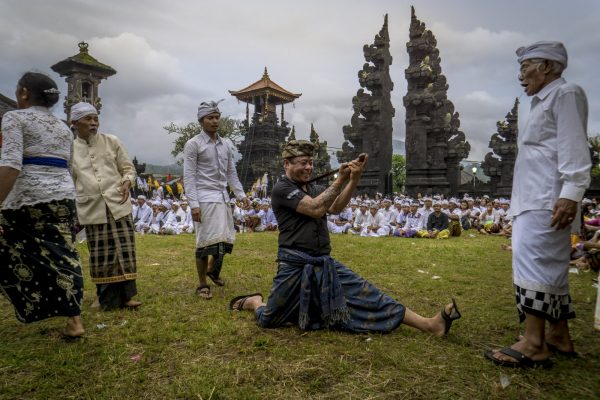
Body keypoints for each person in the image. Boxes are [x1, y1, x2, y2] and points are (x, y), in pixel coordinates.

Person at [229, 140, 461, 336]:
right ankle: (254, 302)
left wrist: (354, 180)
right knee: (270, 318)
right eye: (303, 163)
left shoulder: (312, 186)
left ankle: (429, 324)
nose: (309, 167)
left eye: (311, 162)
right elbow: (316, 209)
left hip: (323, 261)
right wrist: (339, 180)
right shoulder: (282, 188)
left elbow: (336, 207)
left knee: (368, 293)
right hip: (294, 265)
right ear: (286, 164)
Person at [485, 41, 591, 368]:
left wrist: (571, 193)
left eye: (524, 67)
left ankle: (534, 343)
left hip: (547, 199)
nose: (521, 75)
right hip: (534, 198)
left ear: (546, 66)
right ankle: (558, 334)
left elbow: (574, 147)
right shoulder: (542, 102)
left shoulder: (565, 94)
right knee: (550, 267)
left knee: (533, 265)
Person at [0, 72, 84, 337]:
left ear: (24, 93)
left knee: (11, 251)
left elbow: (11, 164)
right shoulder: (63, 126)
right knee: (64, 254)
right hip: (62, 196)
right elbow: (69, 167)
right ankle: (74, 321)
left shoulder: (14, 117)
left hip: (26, 198)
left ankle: (33, 301)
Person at [70, 102, 142, 310]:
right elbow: (69, 180)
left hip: (117, 202)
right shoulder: (70, 149)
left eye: (95, 119)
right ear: (74, 123)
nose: (93, 123)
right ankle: (101, 297)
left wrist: (127, 181)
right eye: (88, 119)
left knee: (124, 250)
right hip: (91, 206)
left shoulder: (112, 141)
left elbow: (128, 168)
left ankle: (127, 296)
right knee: (101, 253)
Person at [183, 100, 249, 298]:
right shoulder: (193, 144)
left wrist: (241, 195)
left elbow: (231, 173)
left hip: (222, 197)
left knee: (224, 240)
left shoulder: (226, 144)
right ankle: (202, 284)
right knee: (204, 242)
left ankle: (213, 270)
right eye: (210, 118)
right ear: (201, 121)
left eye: (217, 117)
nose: (214, 121)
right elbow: (189, 176)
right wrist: (194, 204)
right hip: (204, 198)